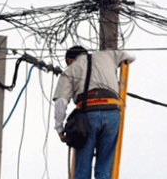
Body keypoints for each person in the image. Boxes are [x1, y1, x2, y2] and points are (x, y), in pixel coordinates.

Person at [53, 46, 135, 179]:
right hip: (113, 113)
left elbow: (61, 101)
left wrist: (59, 128)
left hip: (87, 115)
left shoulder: (71, 69)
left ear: (69, 60)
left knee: (82, 170)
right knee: (104, 171)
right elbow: (131, 56)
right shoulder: (108, 55)